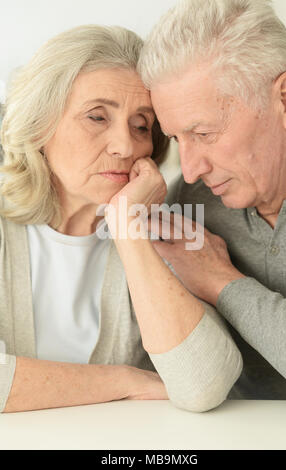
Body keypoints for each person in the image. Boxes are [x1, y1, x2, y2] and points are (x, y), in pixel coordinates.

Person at [0, 25, 242, 413]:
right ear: (40, 124)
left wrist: (128, 229)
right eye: (97, 117)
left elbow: (204, 384)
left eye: (141, 125)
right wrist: (125, 380)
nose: (126, 145)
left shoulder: (171, 227)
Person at [138, 0, 286, 399]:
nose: (190, 169)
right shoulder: (189, 203)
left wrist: (220, 281)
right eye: (177, 138)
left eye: (204, 133)